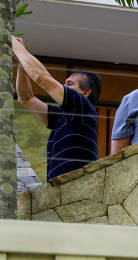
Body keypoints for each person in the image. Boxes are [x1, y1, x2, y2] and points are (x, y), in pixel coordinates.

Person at [12, 36, 100, 180]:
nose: (64, 87)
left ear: (85, 92)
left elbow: (41, 77)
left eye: (70, 84)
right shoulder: (62, 116)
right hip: (58, 191)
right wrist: (20, 62)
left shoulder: (83, 107)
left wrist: (16, 46)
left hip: (77, 190)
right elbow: (26, 98)